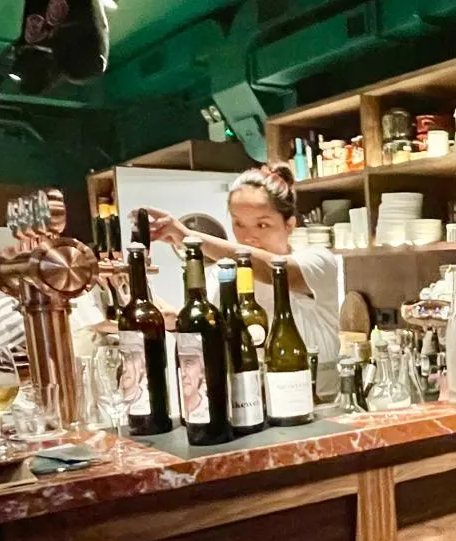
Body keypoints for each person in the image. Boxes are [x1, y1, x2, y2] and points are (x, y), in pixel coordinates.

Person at [145, 165, 342, 396]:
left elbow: (275, 271)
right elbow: (214, 344)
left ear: (290, 224)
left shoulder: (317, 261)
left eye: (262, 225)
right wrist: (176, 322)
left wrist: (187, 236)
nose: (248, 237)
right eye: (238, 223)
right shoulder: (221, 275)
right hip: (246, 404)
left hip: (320, 405)